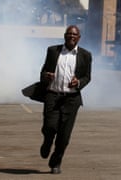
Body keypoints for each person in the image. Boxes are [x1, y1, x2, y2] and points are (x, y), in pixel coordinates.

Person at [39, 25, 92, 174]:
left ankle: (55, 163)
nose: (71, 37)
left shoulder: (85, 55)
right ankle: (47, 141)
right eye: (69, 34)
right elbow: (43, 71)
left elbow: (87, 76)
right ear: (64, 36)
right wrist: (46, 76)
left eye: (75, 35)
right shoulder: (53, 51)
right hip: (53, 95)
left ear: (79, 38)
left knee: (64, 136)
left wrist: (79, 82)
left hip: (71, 99)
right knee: (49, 127)